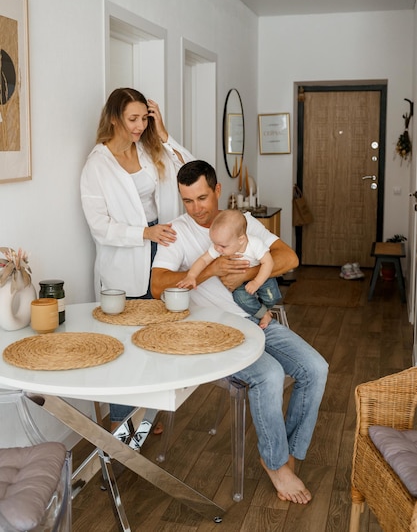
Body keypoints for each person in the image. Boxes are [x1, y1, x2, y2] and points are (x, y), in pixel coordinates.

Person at [151, 160, 328, 504]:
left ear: (218, 191)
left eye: (202, 198)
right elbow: (158, 286)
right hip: (211, 332)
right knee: (271, 375)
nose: (196, 209)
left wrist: (248, 276)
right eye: (187, 201)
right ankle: (277, 464)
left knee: (316, 369)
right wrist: (211, 269)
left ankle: (284, 453)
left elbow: (288, 258)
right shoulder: (177, 231)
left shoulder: (242, 225)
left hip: (256, 320)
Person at [80, 87, 194, 435]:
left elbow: (190, 169)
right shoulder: (96, 165)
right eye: (133, 119)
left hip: (160, 249)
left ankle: (146, 411)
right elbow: (100, 227)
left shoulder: (148, 148)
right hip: (126, 255)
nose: (139, 126)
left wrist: (163, 132)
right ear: (114, 118)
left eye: (144, 118)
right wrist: (144, 234)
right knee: (125, 341)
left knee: (157, 334)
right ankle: (120, 421)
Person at [177, 208, 280, 329]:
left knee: (271, 296)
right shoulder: (219, 246)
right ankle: (264, 314)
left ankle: (267, 306)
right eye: (214, 243)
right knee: (240, 298)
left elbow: (268, 263)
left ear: (241, 240)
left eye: (223, 246)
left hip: (260, 276)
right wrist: (191, 276)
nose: (217, 249)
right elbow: (203, 260)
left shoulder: (255, 244)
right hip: (239, 282)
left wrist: (256, 282)